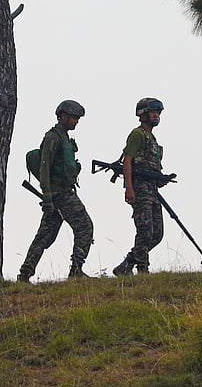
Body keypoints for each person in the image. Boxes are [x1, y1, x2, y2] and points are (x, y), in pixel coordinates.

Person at [17, 100, 94, 283]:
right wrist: (48, 197)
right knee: (85, 227)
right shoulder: (53, 137)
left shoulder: (64, 138)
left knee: (44, 236)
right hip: (61, 195)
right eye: (74, 118)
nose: (76, 121)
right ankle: (76, 270)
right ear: (63, 116)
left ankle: (25, 274)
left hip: (61, 193)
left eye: (78, 118)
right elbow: (44, 168)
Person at [113, 97, 166, 276]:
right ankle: (143, 270)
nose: (156, 115)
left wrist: (161, 179)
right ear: (143, 113)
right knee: (144, 230)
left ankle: (128, 262)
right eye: (153, 111)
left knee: (157, 234)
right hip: (140, 189)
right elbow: (127, 161)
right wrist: (129, 188)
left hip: (153, 190)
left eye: (158, 112)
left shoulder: (153, 139)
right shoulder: (138, 134)